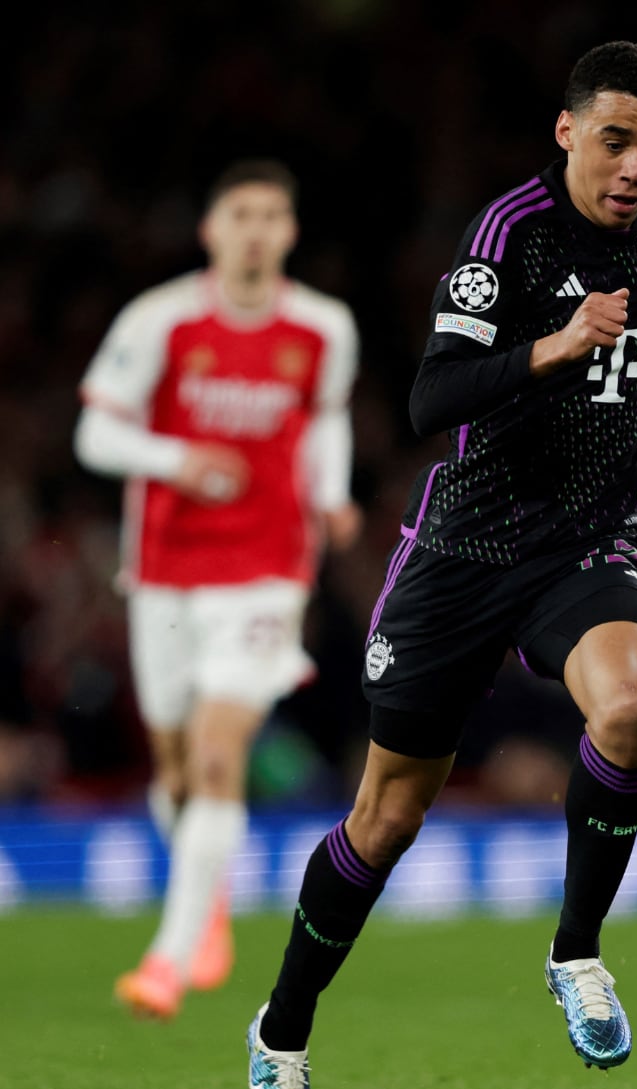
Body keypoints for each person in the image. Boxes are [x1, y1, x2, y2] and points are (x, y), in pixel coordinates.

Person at [246, 41, 637, 1089]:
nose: (636, 165)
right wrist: (553, 345)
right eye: (615, 140)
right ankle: (280, 1035)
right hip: (464, 551)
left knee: (636, 704)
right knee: (387, 816)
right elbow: (429, 399)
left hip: (586, 545)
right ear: (566, 133)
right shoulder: (508, 239)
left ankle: (576, 952)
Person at [75, 160, 361, 1022]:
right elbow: (95, 432)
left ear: (289, 233)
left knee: (215, 752)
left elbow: (327, 417)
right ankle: (211, 897)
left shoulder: (322, 326)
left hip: (268, 570)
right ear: (211, 230)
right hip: (164, 567)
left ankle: (169, 956)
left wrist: (333, 492)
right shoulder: (161, 320)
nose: (255, 230)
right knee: (172, 767)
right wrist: (177, 461)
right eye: (240, 214)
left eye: (272, 215)